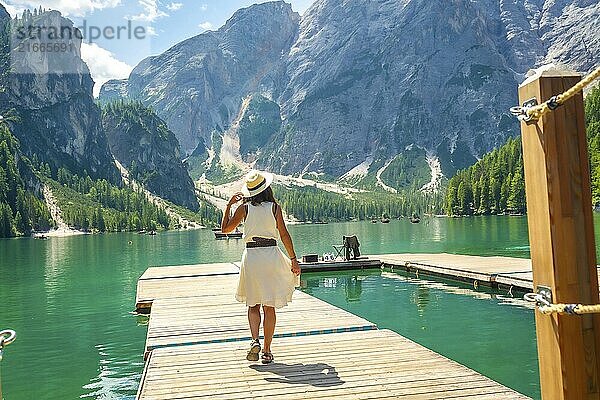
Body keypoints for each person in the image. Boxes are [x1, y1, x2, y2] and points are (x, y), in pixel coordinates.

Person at [221, 170, 301, 364]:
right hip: (271, 255)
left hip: (252, 257)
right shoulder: (275, 208)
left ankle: (254, 340)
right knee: (269, 305)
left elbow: (225, 230)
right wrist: (293, 259)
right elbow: (284, 235)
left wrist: (229, 206)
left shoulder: (245, 208)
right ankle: (266, 351)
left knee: (253, 303)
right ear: (266, 188)